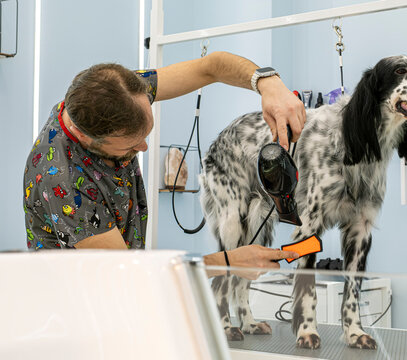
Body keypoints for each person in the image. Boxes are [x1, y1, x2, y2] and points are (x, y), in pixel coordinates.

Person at [23, 51, 303, 270]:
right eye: (132, 145)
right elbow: (132, 272)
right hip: (82, 310)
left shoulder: (108, 94)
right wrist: (228, 262)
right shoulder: (64, 182)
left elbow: (212, 66)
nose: (144, 147)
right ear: (85, 138)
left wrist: (267, 82)